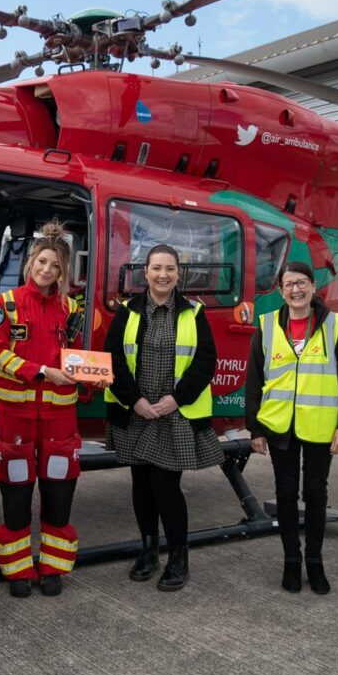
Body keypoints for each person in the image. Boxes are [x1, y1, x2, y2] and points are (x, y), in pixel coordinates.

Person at [103, 244, 222, 591]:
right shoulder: (127, 312)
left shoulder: (194, 314)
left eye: (170, 268)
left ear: (178, 274)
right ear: (145, 272)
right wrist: (135, 401)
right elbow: (113, 359)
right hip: (137, 414)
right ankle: (149, 551)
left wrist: (176, 399)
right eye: (156, 268)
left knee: (166, 487)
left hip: (174, 415)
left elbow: (206, 363)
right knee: (141, 486)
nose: (163, 275)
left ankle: (178, 558)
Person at [0, 221, 92, 598]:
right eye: (42, 262)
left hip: (60, 419)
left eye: (56, 266)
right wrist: (42, 371)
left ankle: (53, 567)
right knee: (15, 494)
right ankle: (17, 569)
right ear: (30, 262)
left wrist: (91, 376)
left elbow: (78, 357)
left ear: (63, 272)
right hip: (15, 418)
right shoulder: (7, 303)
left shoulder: (71, 308)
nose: (47, 270)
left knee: (59, 494)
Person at [245, 260, 338, 595]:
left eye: (301, 283)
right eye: (289, 285)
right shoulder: (267, 326)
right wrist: (255, 428)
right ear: (281, 291)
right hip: (280, 425)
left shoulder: (334, 326)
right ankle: (291, 561)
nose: (296, 290)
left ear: (312, 286)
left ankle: (315, 562)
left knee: (316, 494)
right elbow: (254, 381)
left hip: (320, 426)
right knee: (285, 494)